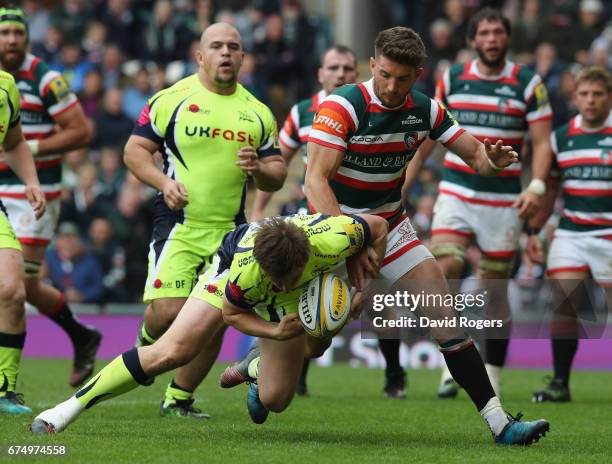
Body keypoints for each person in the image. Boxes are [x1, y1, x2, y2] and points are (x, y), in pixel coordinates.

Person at [304, 25, 549, 445]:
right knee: (316, 340)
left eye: (403, 78)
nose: (392, 86)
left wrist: (492, 160)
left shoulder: (427, 110)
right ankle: (260, 366)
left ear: (418, 75)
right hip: (333, 225)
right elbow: (314, 182)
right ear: (372, 65)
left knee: (445, 317)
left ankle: (500, 424)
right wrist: (352, 241)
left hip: (392, 227)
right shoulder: (341, 106)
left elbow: (477, 157)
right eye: (384, 75)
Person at [29, 212, 386, 431]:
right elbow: (232, 314)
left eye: (285, 280)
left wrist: (365, 286)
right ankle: (64, 411)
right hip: (228, 272)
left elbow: (380, 226)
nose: (279, 286)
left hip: (303, 288)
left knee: (282, 392)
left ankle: (256, 367)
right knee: (173, 351)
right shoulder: (247, 271)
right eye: (275, 281)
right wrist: (274, 330)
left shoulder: (337, 237)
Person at [124, 22, 286, 419]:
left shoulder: (257, 111)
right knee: (168, 313)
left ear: (244, 57)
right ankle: (147, 341)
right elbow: (134, 152)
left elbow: (277, 171)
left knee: (214, 317)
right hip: (179, 224)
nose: (226, 53)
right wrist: (163, 182)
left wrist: (259, 170)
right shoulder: (170, 99)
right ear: (200, 55)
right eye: (217, 46)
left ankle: (178, 398)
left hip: (230, 231)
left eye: (234, 46)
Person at [405, 8, 553, 399]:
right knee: (447, 268)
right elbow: (428, 131)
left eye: (497, 32)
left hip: (502, 199)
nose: (491, 39)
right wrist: (403, 181)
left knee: (494, 293)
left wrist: (536, 186)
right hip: (456, 190)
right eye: (484, 33)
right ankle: (449, 368)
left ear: (507, 38)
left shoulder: (528, 82)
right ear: (473, 40)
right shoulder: (451, 77)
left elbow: (540, 143)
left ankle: (494, 374)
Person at [250, 44, 384, 397]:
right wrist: (257, 211)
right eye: (333, 68)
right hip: (316, 229)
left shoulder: (370, 109)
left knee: (344, 312)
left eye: (346, 68)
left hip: (366, 222)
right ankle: (283, 374)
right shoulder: (301, 112)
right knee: (311, 305)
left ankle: (394, 374)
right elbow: (278, 163)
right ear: (320, 74)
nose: (341, 74)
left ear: (357, 75)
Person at [0, 6, 100, 388]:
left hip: (34, 191)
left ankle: (7, 382)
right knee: (18, 286)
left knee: (15, 286)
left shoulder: (45, 78)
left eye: (17, 33)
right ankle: (80, 335)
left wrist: (29, 147)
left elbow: (80, 130)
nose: (11, 40)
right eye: (4, 33)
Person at [528, 67, 612, 402]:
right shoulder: (560, 137)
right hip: (571, 233)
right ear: (574, 97)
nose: (590, 101)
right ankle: (560, 383)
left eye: (598, 94)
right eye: (585, 94)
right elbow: (549, 191)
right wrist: (535, 232)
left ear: (608, 97)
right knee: (563, 301)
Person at [0, 68, 46, 414]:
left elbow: (13, 142)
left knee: (12, 290)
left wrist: (30, 179)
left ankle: (4, 389)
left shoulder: (6, 86)